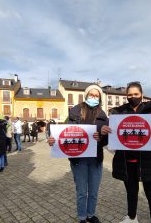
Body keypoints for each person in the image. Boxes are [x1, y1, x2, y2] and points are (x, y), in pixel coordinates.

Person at [101, 82, 151, 223]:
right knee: (131, 193)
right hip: (128, 162)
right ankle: (132, 218)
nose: (133, 97)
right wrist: (104, 132)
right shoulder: (118, 113)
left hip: (149, 162)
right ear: (126, 96)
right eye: (130, 95)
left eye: (136, 94)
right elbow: (111, 137)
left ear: (142, 95)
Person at [48, 84, 108, 223]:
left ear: (99, 98)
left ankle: (91, 215)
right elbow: (65, 133)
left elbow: (106, 141)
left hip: (96, 159)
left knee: (93, 192)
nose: (94, 97)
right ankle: (82, 217)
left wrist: (102, 138)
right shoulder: (74, 112)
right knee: (82, 192)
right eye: (91, 95)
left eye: (96, 95)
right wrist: (54, 140)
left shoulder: (103, 115)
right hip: (78, 159)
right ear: (86, 96)